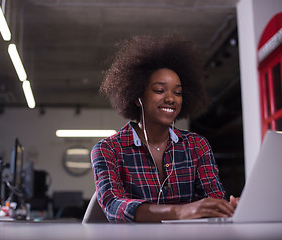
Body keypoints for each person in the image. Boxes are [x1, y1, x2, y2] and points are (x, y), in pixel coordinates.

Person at [91, 34, 238, 223]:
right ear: (137, 97)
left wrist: (228, 207)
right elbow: (113, 206)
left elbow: (213, 198)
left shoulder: (197, 145)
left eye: (177, 92)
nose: (171, 98)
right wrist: (179, 212)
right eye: (160, 90)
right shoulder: (107, 150)